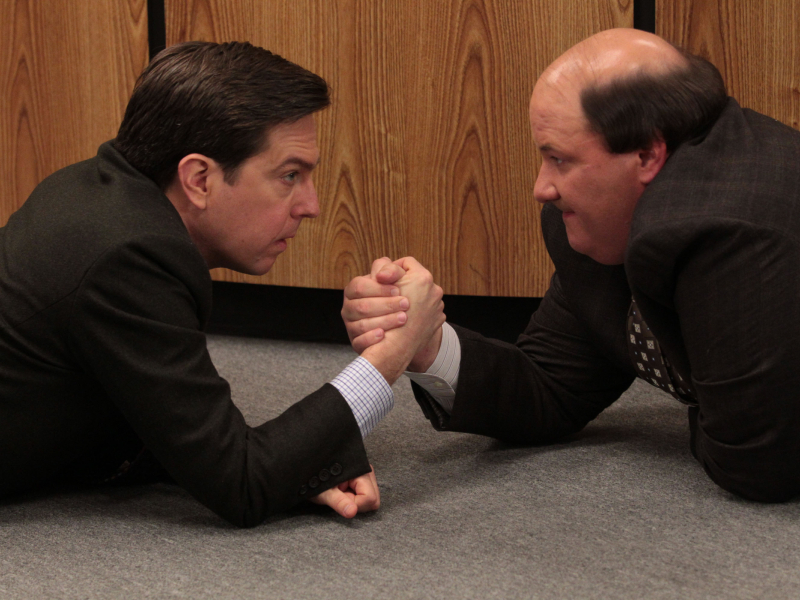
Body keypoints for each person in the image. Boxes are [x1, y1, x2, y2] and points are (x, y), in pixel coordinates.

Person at [342, 28, 800, 503]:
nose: (542, 187)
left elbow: (757, 464)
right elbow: (552, 386)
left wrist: (714, 412)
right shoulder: (605, 221)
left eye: (560, 159)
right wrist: (426, 344)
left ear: (646, 154)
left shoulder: (729, 228)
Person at [0, 41, 444, 527]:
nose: (311, 205)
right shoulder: (127, 256)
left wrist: (294, 462)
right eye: (289, 175)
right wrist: (392, 354)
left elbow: (160, 421)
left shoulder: (96, 191)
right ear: (199, 179)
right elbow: (243, 484)